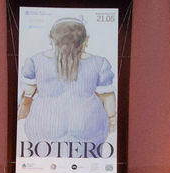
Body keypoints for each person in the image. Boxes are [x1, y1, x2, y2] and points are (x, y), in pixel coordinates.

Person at [19, 16, 116, 144]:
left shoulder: (34, 61)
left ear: (51, 39)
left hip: (44, 127)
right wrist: (112, 119)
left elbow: (28, 93)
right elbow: (107, 97)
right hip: (88, 127)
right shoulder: (100, 63)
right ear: (85, 39)